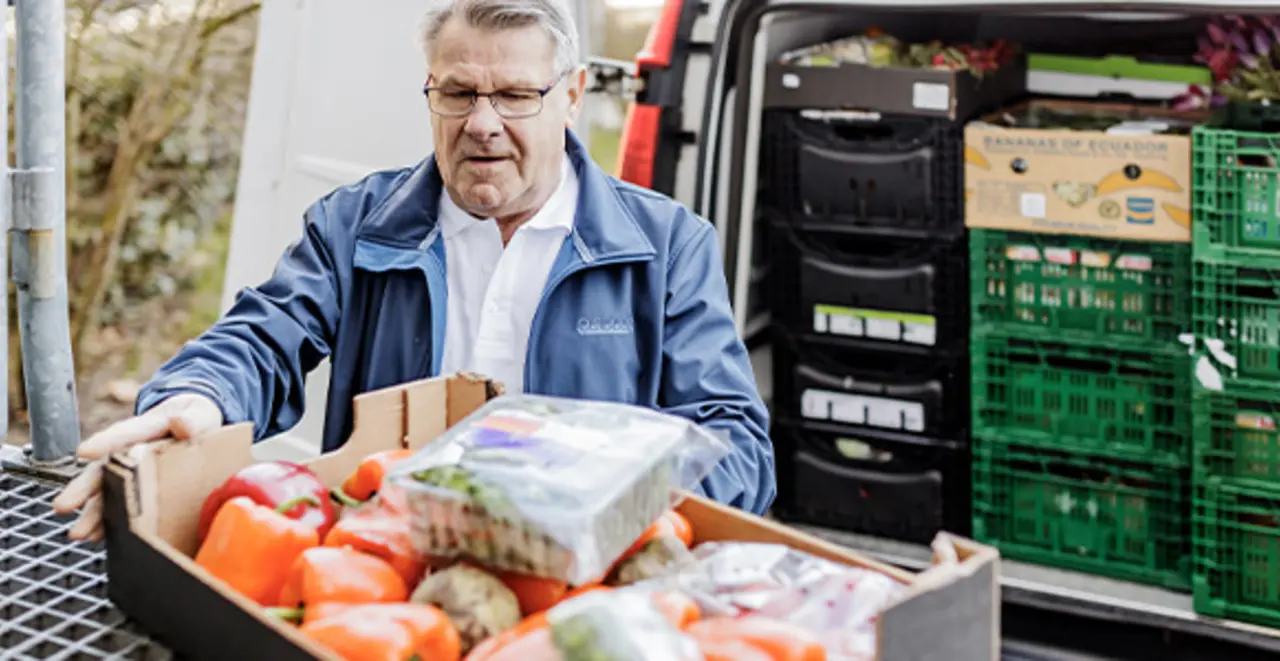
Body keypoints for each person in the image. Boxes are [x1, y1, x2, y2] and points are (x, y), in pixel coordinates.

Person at [53, 0, 774, 542]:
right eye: (458, 93)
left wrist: (600, 500)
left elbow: (738, 447)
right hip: (379, 578)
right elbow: (262, 338)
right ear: (430, 88)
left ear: (573, 94)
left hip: (575, 597)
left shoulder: (666, 245)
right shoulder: (357, 225)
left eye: (516, 95)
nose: (482, 122)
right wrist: (197, 399)